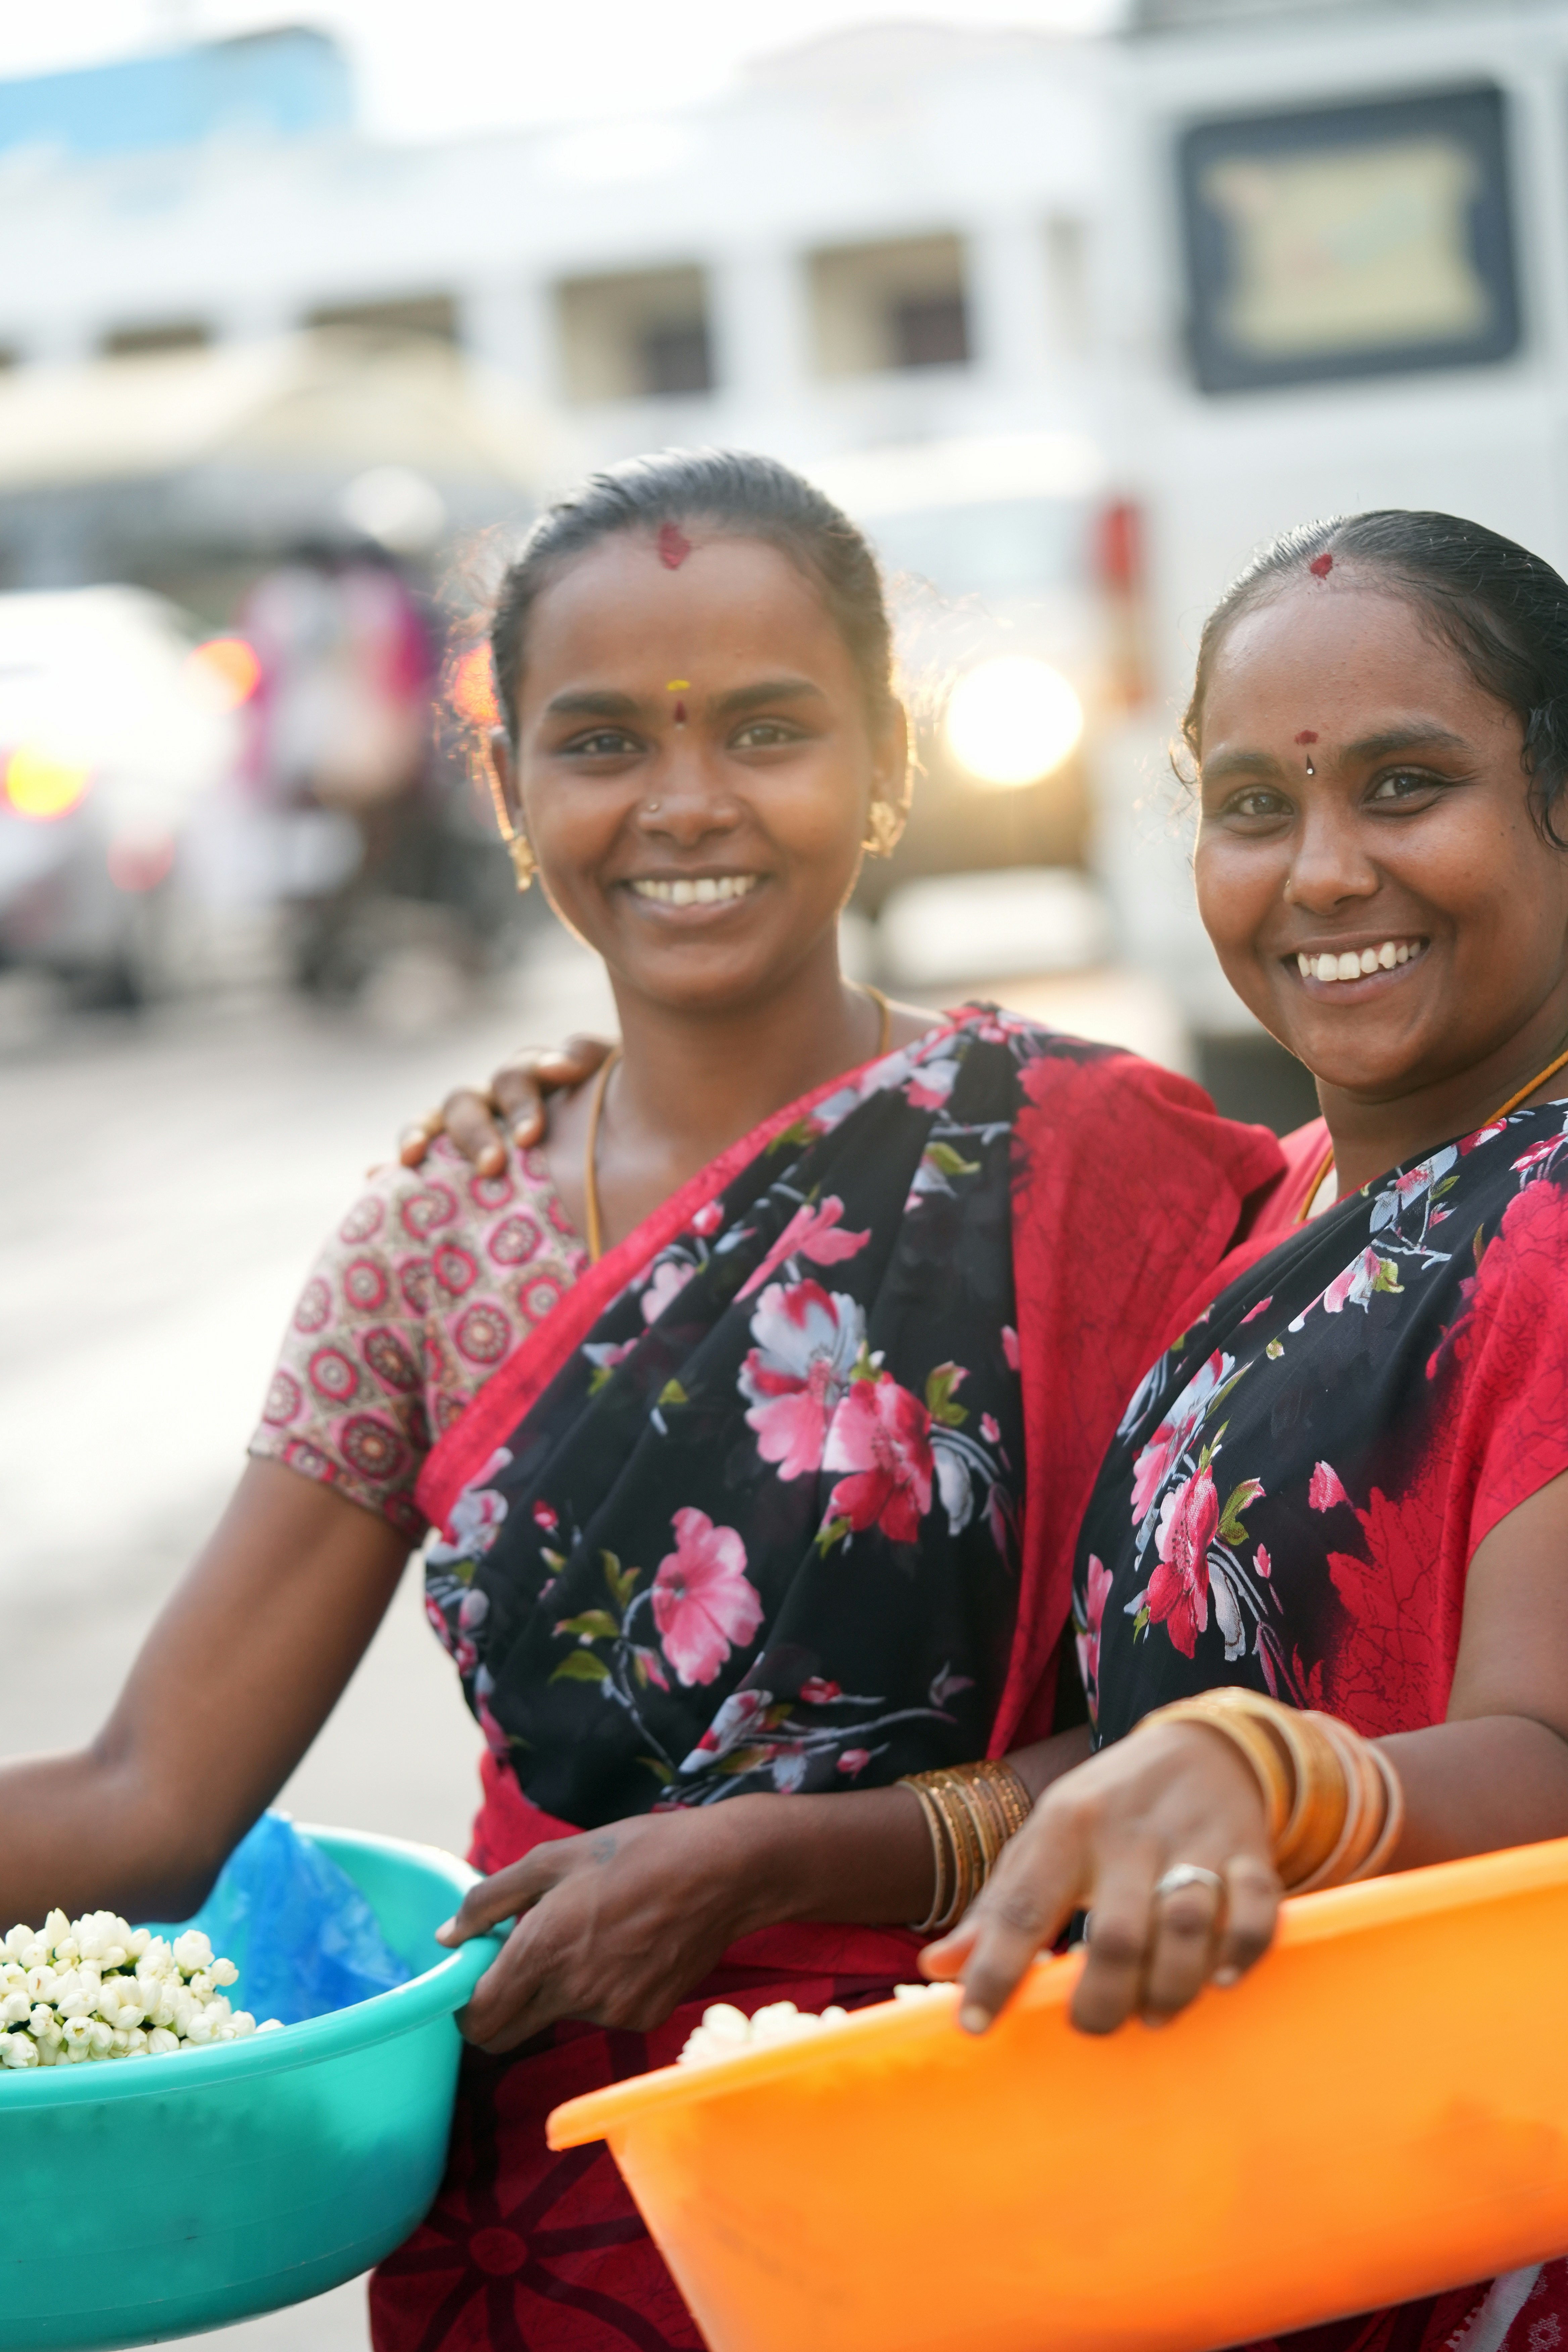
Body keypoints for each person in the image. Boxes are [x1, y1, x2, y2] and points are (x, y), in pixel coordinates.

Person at [0, 450, 1282, 2352]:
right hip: (579, 2203)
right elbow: (149, 1800)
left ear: (886, 765)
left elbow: (1259, 1729)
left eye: (768, 730)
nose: (689, 805)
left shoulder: (1105, 1166)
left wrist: (789, 1858)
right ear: (511, 796)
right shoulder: (438, 1230)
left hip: (1027, 2127)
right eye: (601, 745)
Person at [908, 510, 1568, 2352]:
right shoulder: (1264, 1201)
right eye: (1256, 808)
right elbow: (1150, 1745)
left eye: (1409, 784)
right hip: (1257, 2217)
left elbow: (1549, 1758)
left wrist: (1264, 1779)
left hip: (1490, 2229)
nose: (1326, 871)